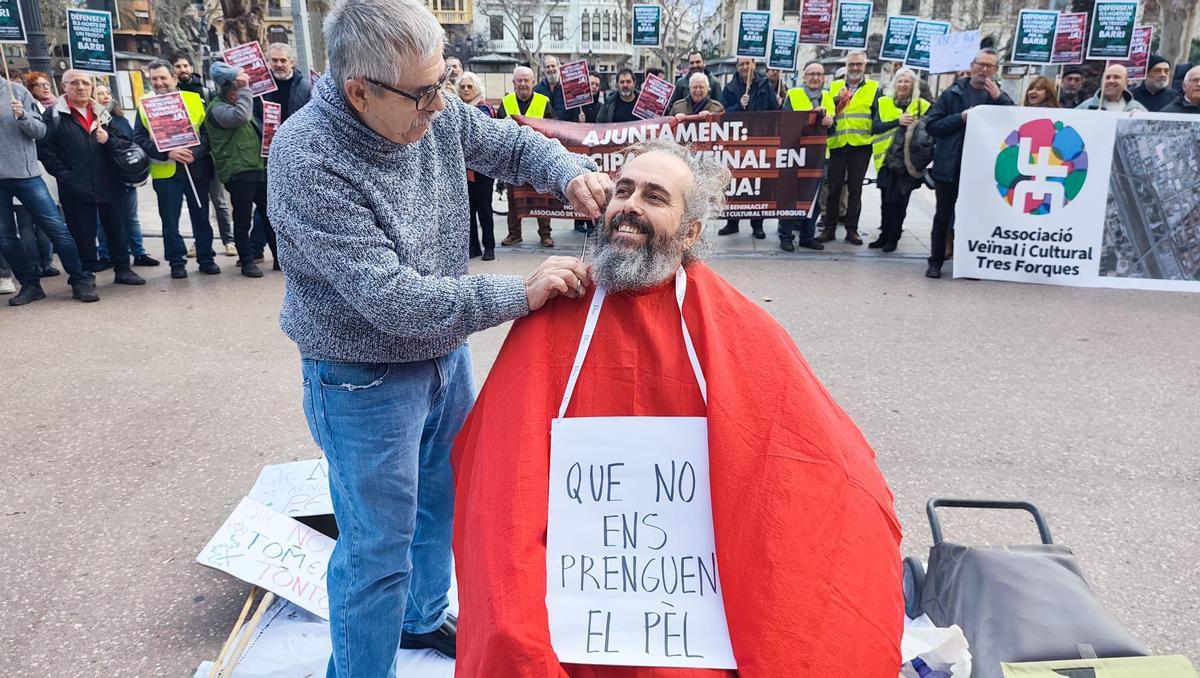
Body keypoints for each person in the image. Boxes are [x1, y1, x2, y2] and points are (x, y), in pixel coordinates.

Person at [452, 136, 904, 677]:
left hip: (691, 621)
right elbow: (503, 480)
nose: (630, 206)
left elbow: (805, 465)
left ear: (691, 231)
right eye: (623, 190)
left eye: (654, 196)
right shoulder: (556, 306)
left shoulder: (737, 327)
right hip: (574, 608)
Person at [266, 0, 612, 674]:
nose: (439, 110)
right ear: (358, 89)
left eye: (444, 86)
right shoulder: (307, 157)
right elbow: (392, 300)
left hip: (443, 354)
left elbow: (508, 143)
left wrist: (566, 171)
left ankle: (423, 618)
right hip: (362, 377)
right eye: (423, 97)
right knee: (376, 547)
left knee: (443, 501)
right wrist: (520, 293)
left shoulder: (429, 105)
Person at [38, 69, 146, 287]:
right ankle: (85, 276)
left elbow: (124, 143)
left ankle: (123, 269)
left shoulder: (103, 113)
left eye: (86, 83)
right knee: (82, 234)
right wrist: (65, 175)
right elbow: (45, 150)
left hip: (109, 182)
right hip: (76, 187)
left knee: (117, 229)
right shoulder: (54, 115)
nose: (81, 87)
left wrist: (108, 140)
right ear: (64, 86)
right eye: (75, 83)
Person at [1, 78, 96, 305]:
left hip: (26, 176)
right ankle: (30, 284)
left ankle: (79, 278)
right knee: (4, 237)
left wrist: (23, 116)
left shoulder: (16, 91)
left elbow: (40, 131)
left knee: (56, 228)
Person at [924, 49, 1013, 279]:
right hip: (950, 166)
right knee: (943, 216)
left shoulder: (997, 96)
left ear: (995, 69)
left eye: (989, 66)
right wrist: (961, 118)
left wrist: (1000, 100)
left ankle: (969, 264)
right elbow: (932, 125)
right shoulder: (953, 93)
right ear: (972, 65)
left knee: (973, 217)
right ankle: (935, 262)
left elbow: (1014, 124)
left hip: (981, 170)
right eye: (980, 64)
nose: (984, 70)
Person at [134, 59, 221, 279]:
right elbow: (140, 139)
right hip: (166, 171)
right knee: (169, 220)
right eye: (154, 79)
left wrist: (195, 153)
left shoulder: (194, 100)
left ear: (174, 78)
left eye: (163, 77)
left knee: (200, 215)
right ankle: (176, 262)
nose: (159, 82)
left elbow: (208, 135)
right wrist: (167, 153)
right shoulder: (144, 104)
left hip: (195, 167)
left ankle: (206, 257)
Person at [206, 61, 278, 277]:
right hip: (238, 173)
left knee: (270, 217)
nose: (243, 92)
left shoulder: (240, 105)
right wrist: (246, 87)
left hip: (257, 169)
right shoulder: (217, 109)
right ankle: (247, 262)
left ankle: (279, 258)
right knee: (242, 220)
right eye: (237, 88)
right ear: (227, 89)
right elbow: (241, 117)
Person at [173, 52, 237, 257]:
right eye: (178, 66)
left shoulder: (206, 92)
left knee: (219, 201)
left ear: (192, 67)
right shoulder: (170, 97)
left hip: (209, 156)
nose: (182, 69)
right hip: (185, 158)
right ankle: (199, 242)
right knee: (196, 205)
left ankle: (228, 240)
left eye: (185, 65)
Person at [816, 50, 879, 246]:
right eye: (851, 64)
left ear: (864, 66)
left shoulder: (873, 88)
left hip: (860, 146)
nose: (855, 68)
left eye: (858, 64)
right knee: (833, 189)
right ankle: (829, 228)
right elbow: (827, 112)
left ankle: (852, 230)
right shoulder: (834, 87)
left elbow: (878, 117)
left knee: (855, 190)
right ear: (846, 66)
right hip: (837, 144)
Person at [94, 83, 158, 269]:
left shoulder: (120, 119)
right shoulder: (91, 120)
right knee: (102, 219)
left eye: (107, 92)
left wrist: (110, 140)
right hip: (101, 176)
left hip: (123, 175)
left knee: (130, 217)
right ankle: (106, 254)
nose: (106, 96)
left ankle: (139, 252)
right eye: (99, 94)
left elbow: (130, 143)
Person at [870, 68, 931, 252]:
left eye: (907, 81)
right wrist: (898, 121)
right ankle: (883, 234)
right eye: (899, 81)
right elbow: (875, 127)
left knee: (900, 202)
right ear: (893, 84)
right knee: (886, 201)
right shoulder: (883, 102)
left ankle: (893, 237)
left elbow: (929, 132)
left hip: (908, 163)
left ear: (914, 85)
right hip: (887, 161)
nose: (903, 84)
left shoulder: (923, 105)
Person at [718, 57, 779, 239]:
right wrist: (739, 106)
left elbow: (774, 112)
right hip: (736, 141)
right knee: (735, 181)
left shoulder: (765, 85)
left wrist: (779, 102)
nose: (745, 67)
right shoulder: (729, 88)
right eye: (741, 64)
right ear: (737, 67)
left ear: (754, 65)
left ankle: (757, 224)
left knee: (757, 182)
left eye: (748, 63)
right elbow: (722, 113)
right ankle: (732, 222)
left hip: (759, 139)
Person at [779, 61, 834, 252]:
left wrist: (829, 123)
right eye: (811, 74)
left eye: (819, 74)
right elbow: (785, 123)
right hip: (796, 154)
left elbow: (833, 131)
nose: (815, 77)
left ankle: (807, 236)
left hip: (819, 158)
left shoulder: (829, 97)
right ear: (804, 76)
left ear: (824, 77)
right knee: (790, 197)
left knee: (814, 199)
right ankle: (786, 236)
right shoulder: (793, 94)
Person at [498, 65, 555, 248]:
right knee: (513, 199)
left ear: (533, 82)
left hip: (537, 158)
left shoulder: (543, 101)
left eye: (526, 80)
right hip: (512, 159)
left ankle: (545, 234)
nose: (523, 84)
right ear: (514, 83)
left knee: (540, 197)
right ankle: (514, 234)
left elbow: (552, 128)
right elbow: (498, 127)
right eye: (519, 80)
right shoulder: (506, 102)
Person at [458, 72, 498, 260]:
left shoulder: (485, 108)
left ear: (477, 89)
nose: (465, 89)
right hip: (462, 168)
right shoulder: (455, 108)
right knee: (467, 210)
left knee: (484, 208)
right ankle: (473, 247)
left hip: (482, 169)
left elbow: (479, 132)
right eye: (462, 86)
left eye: (469, 86)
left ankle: (489, 246)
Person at [264, 43, 314, 123]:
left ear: (292, 62)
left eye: (283, 60)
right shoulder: (262, 87)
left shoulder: (306, 88)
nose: (279, 65)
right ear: (268, 61)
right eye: (274, 60)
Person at [1076, 64, 1146, 112]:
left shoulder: (1138, 109)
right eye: (1107, 77)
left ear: (1126, 82)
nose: (1111, 81)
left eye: (1116, 77)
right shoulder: (1085, 107)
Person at [534, 54, 574, 121]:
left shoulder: (568, 88)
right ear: (544, 69)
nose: (551, 69)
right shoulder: (537, 90)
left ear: (558, 66)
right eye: (547, 67)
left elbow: (574, 111)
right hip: (544, 129)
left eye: (553, 66)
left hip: (565, 128)